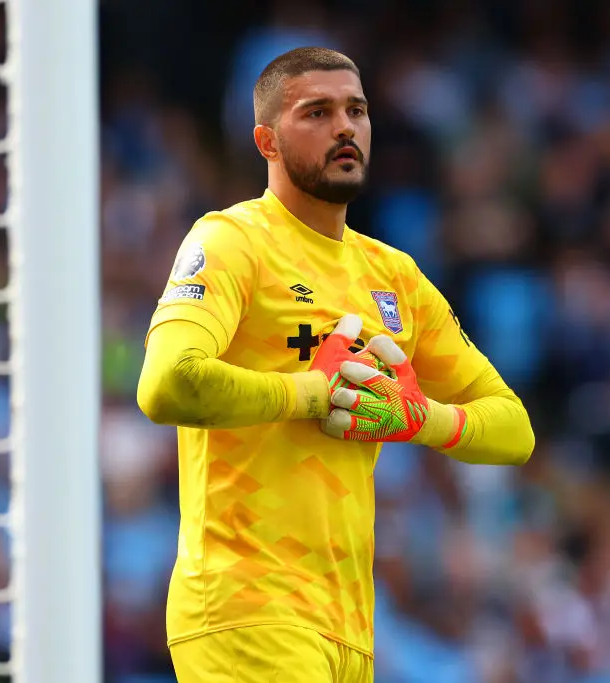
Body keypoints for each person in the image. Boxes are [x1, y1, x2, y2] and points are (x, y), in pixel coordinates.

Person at [137, 46, 534, 683]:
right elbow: (165, 385)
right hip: (248, 604)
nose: (344, 127)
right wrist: (313, 394)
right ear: (266, 141)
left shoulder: (393, 276)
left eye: (357, 110)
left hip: (349, 626)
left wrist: (417, 418)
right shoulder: (233, 241)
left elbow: (514, 429)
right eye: (317, 112)